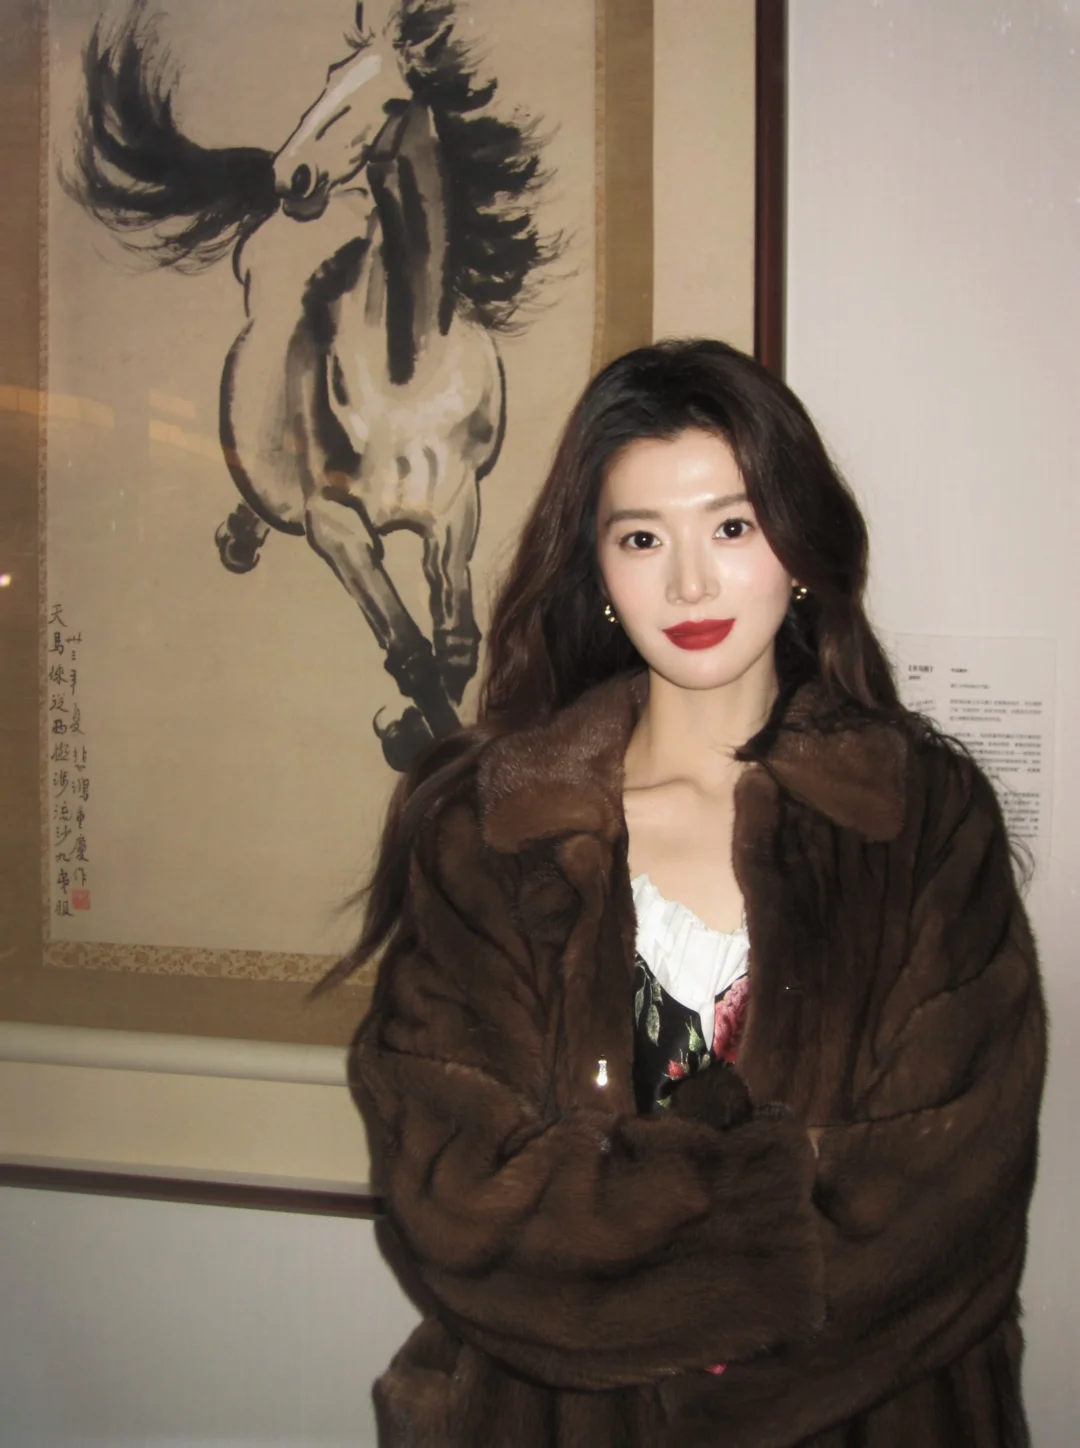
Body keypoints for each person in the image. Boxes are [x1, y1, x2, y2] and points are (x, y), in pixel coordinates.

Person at [327, 340, 1045, 1446]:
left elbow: (948, 1197)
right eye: (642, 538)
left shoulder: (922, 819)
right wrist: (766, 1246)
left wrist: (654, 1299)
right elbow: (459, 1196)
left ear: (798, 547)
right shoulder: (497, 829)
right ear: (597, 571)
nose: (690, 584)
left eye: (733, 526)